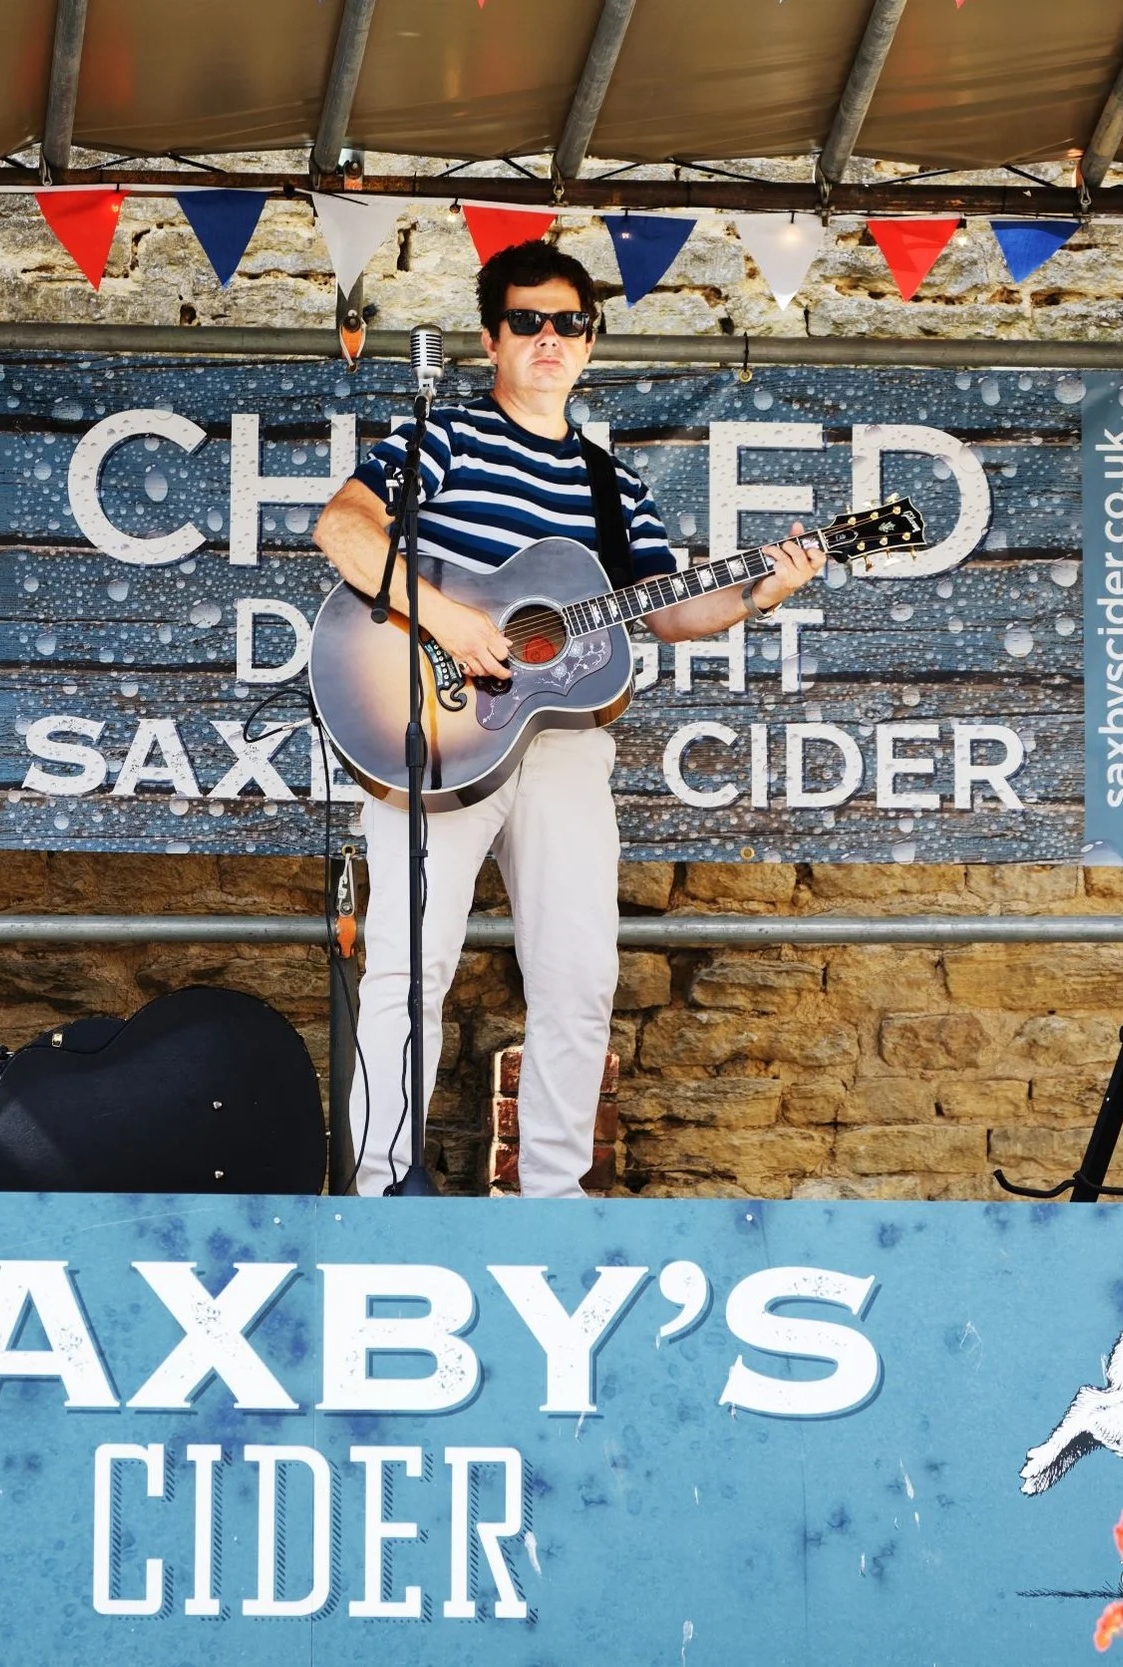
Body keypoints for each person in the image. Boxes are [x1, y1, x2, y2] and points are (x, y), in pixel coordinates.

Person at [312, 240, 827, 1198]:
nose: (549, 338)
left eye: (568, 323)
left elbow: (667, 610)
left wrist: (761, 590)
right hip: (434, 726)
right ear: (490, 338)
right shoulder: (449, 440)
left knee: (581, 974)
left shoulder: (609, 483)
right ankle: (384, 1192)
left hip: (563, 746)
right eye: (527, 321)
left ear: (590, 342)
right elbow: (342, 528)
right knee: (406, 968)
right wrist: (453, 619)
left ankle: (551, 1199)